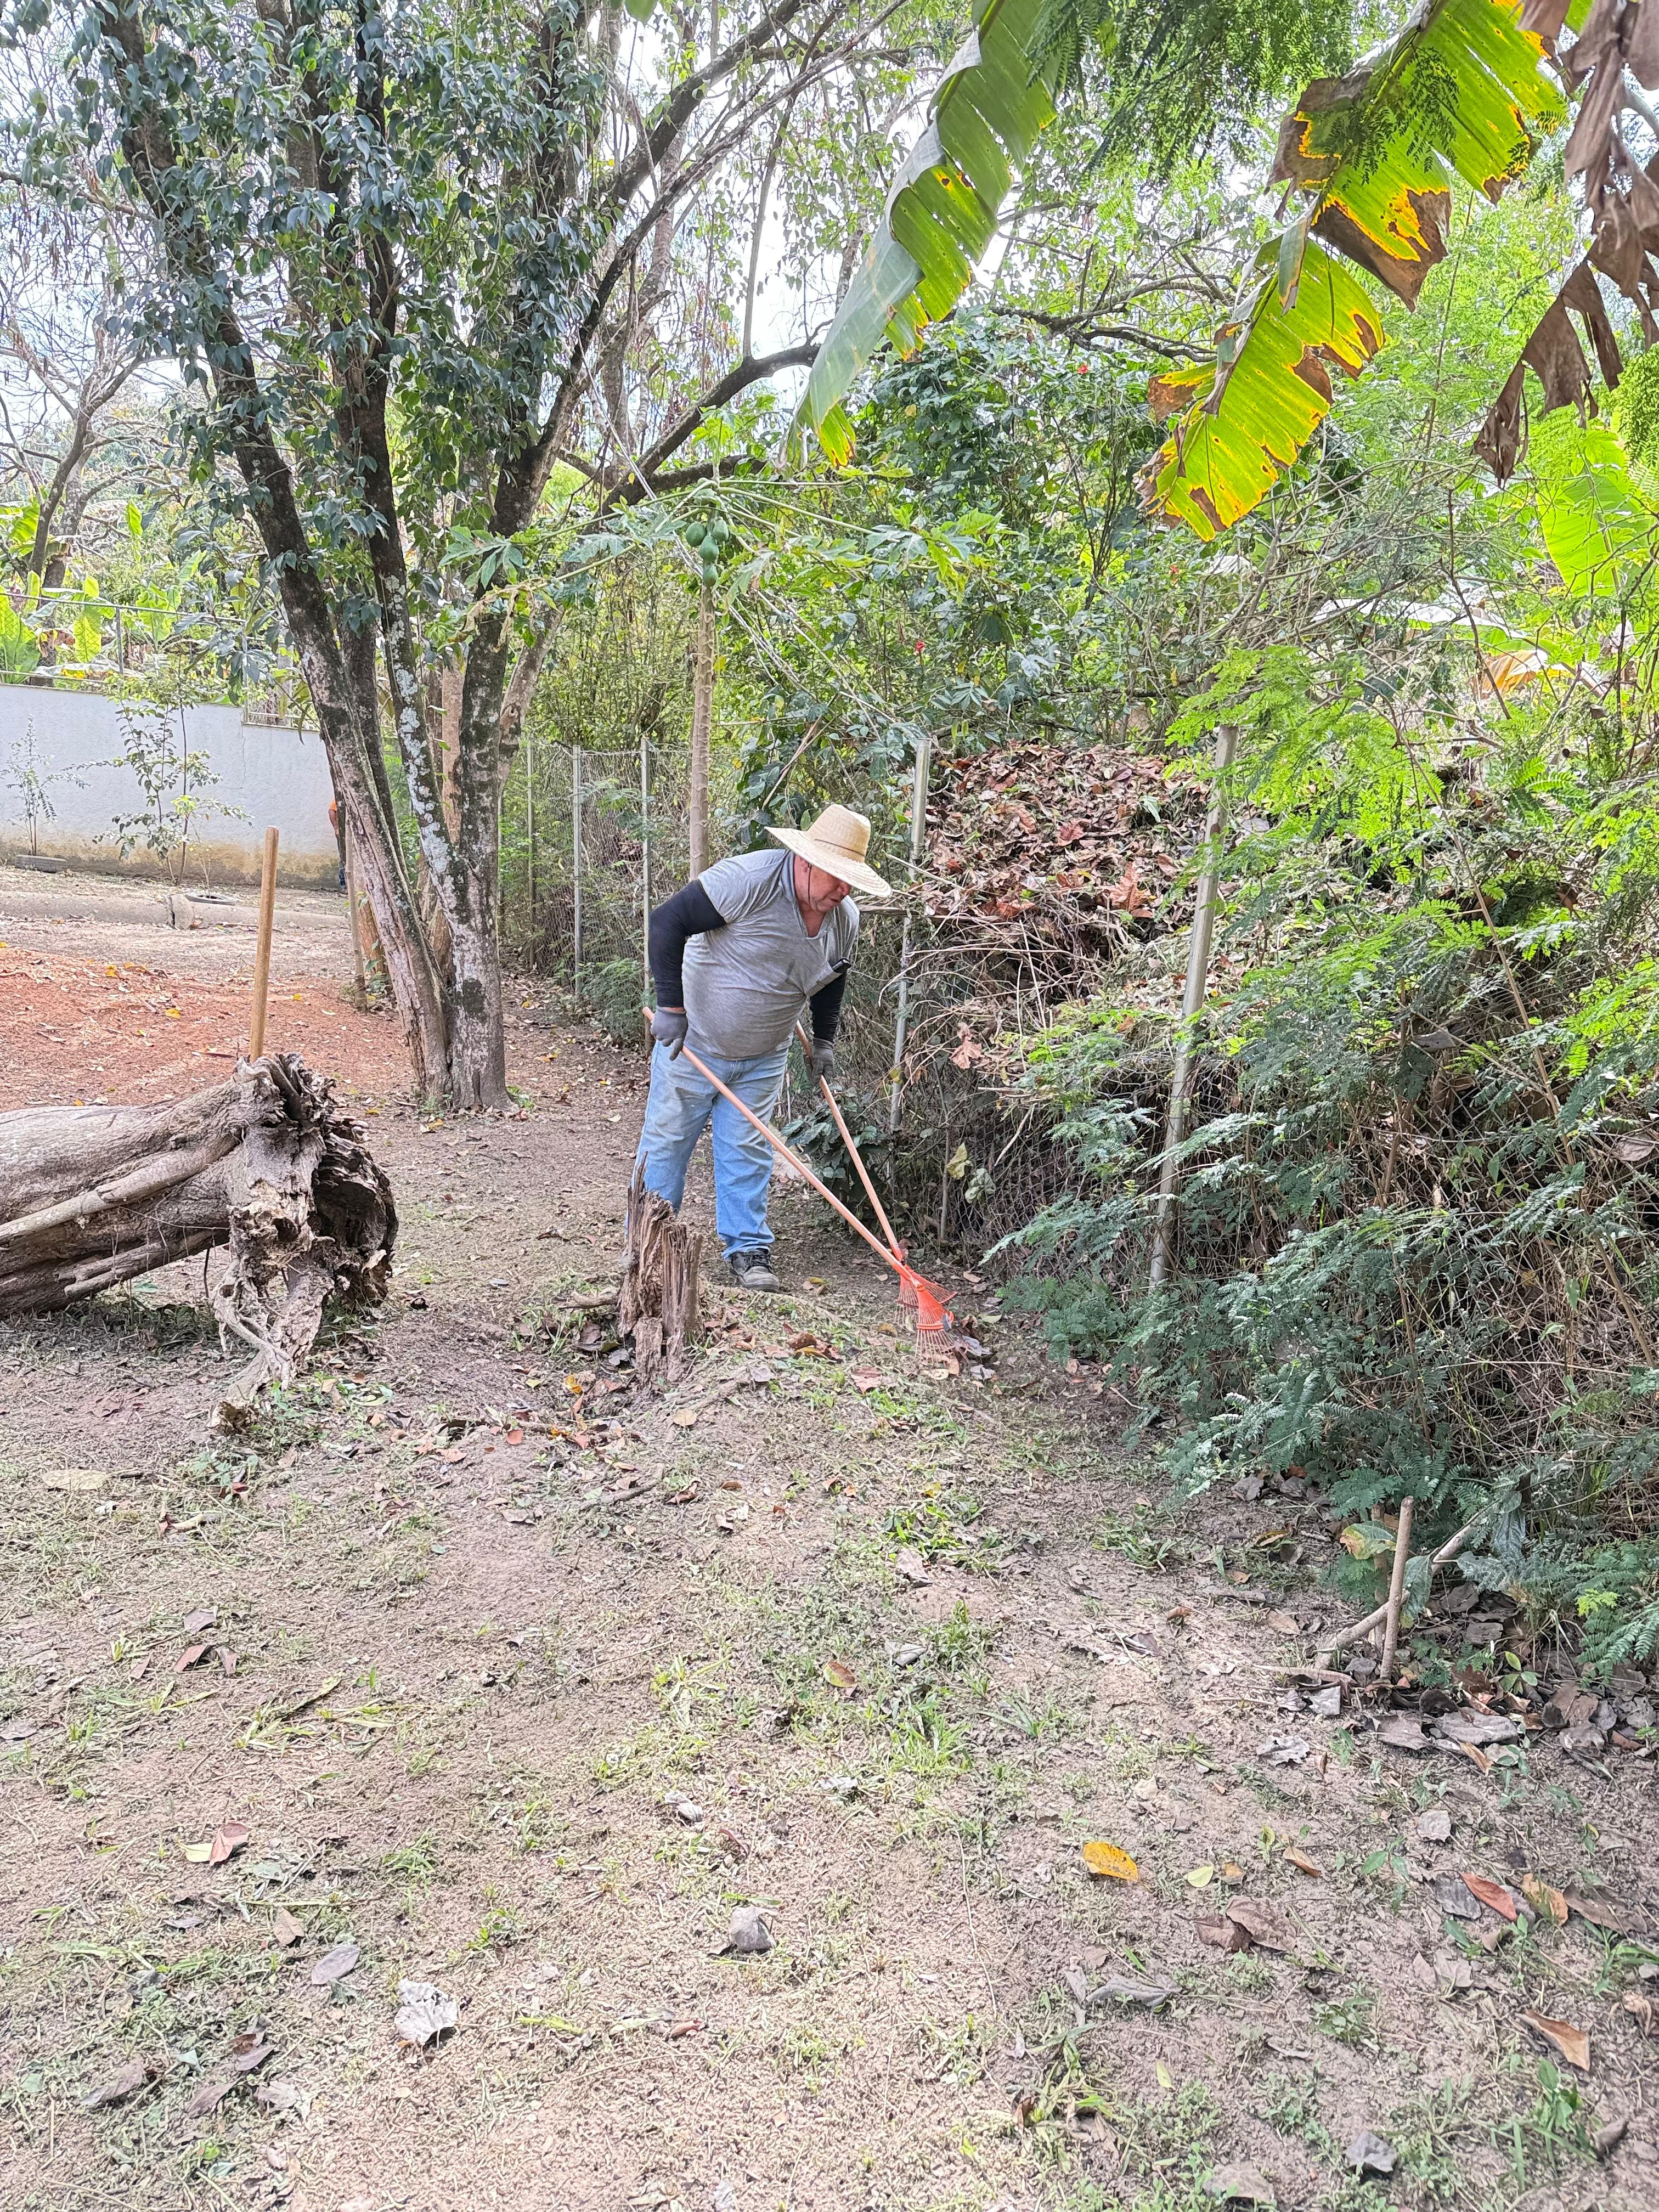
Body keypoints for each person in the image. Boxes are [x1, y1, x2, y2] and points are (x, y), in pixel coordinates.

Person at [639, 803, 890, 1291]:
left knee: (749, 1150)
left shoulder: (844, 918)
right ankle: (650, 1246)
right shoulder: (748, 880)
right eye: (838, 878)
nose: (844, 891)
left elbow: (833, 978)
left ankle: (748, 1249)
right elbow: (667, 922)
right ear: (806, 860)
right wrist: (671, 1007)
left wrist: (824, 1039)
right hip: (692, 1047)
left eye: (851, 881)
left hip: (764, 1056)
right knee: (668, 1144)